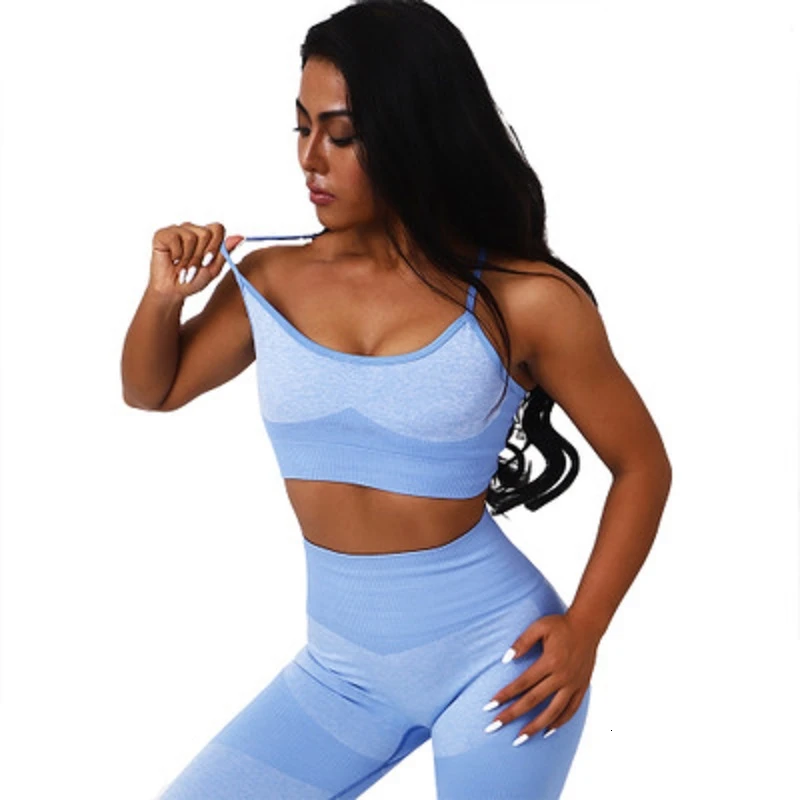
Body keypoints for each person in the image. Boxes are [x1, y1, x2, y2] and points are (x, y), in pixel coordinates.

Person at [121, 1, 672, 797]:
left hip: (502, 662)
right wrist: (163, 296)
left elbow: (643, 465)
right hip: (339, 673)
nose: (310, 158)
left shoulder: (526, 299)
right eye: (300, 127)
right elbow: (153, 389)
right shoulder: (271, 280)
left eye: (340, 135)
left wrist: (584, 630)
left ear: (415, 133)